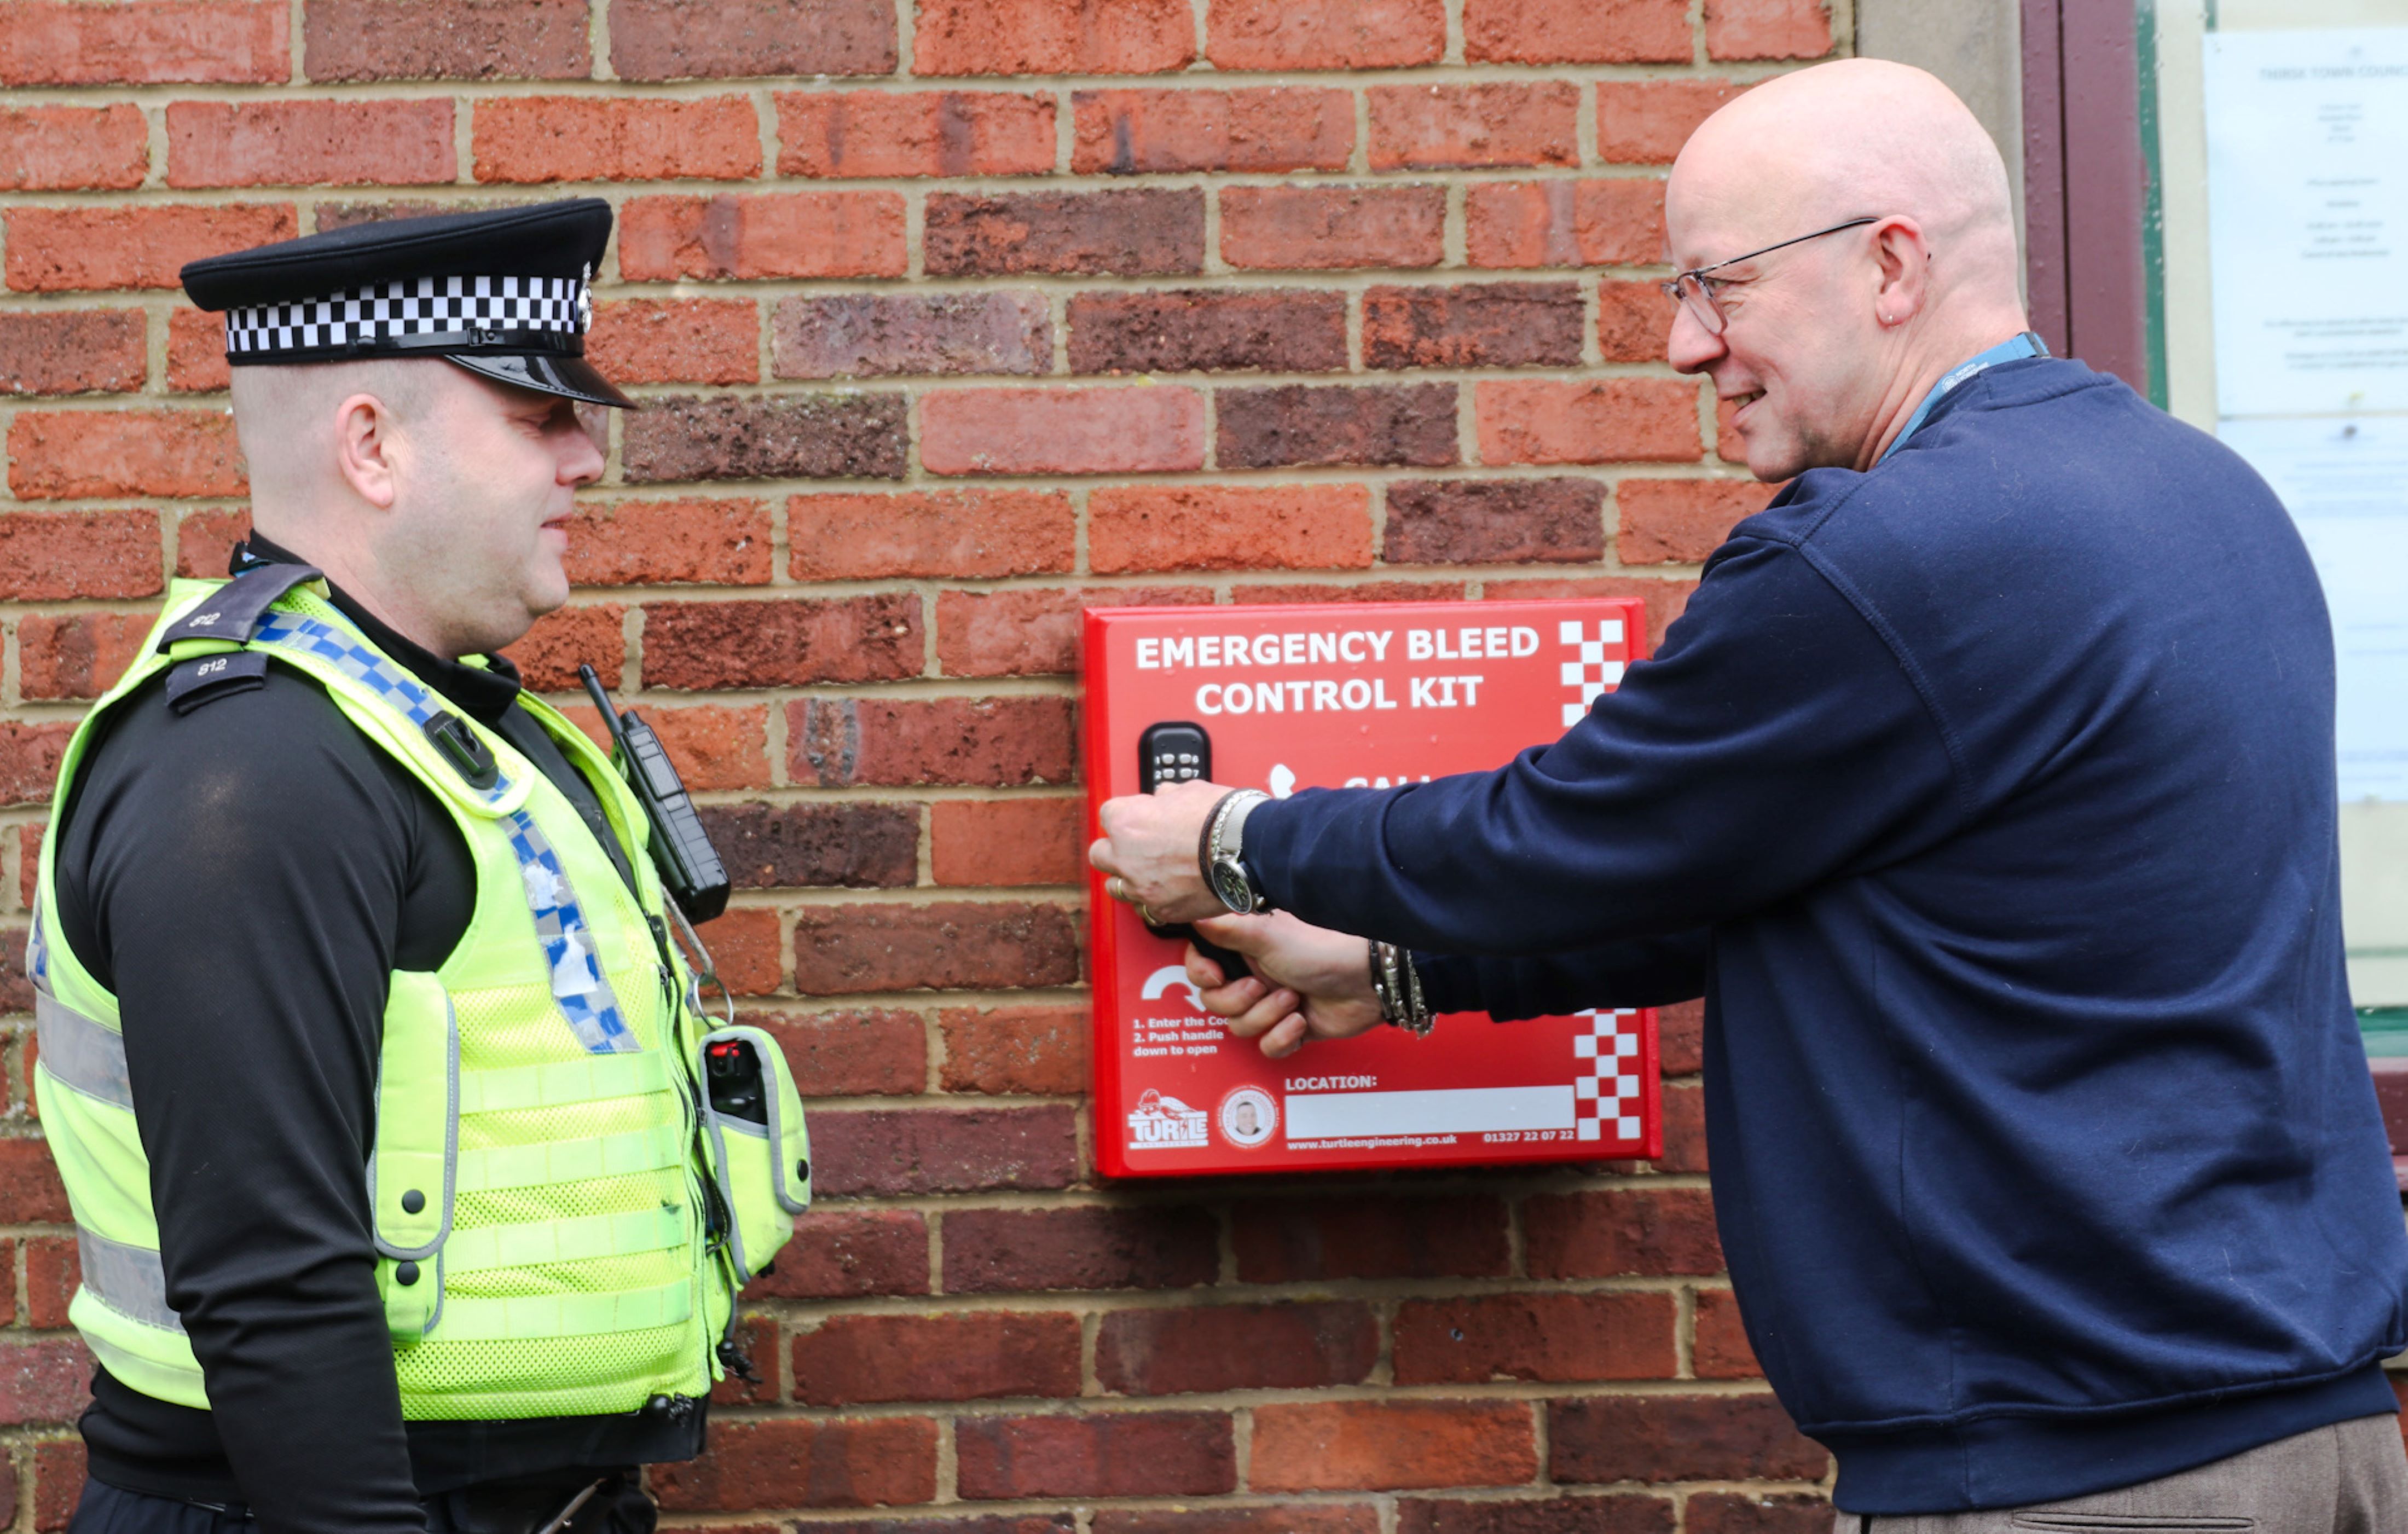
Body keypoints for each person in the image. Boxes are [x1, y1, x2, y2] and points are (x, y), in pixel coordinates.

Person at [1089, 59, 2408, 1530]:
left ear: (1891, 264)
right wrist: (1398, 968)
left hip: (2070, 1474)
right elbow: (1815, 888)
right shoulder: (2205, 496)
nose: (1678, 345)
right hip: (2322, 1441)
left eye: (1718, 287)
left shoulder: (1876, 558)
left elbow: (1560, 835)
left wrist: (1235, 842)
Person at [26, 200, 809, 1534]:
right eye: (538, 418)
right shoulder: (257, 772)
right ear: (373, 447)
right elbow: (273, 1287)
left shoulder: (446, 723)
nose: (588, 459)